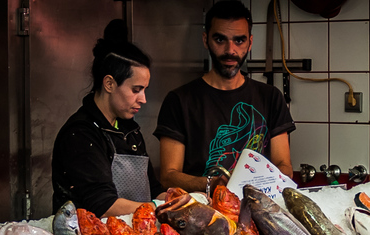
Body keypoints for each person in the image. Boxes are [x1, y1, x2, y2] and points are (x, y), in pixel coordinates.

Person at [154, 0, 296, 194]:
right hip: (201, 213)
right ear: (206, 40)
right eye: (220, 40)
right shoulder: (179, 100)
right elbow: (168, 175)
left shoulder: (270, 97)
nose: (230, 50)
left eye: (239, 40)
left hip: (256, 209)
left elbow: (284, 166)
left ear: (250, 42)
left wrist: (258, 186)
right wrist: (212, 185)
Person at [52, 19, 164, 218]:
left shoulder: (130, 131)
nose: (143, 99)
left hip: (132, 233)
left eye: (144, 90)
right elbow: (102, 205)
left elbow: (152, 190)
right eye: (136, 90)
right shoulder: (81, 134)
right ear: (110, 84)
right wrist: (156, 205)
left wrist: (176, 199)